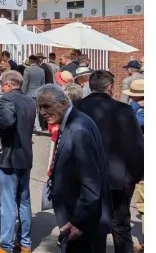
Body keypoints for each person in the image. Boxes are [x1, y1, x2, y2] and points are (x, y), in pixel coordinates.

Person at [38, 84, 112, 253]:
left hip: (82, 225)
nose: (42, 112)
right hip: (76, 219)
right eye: (40, 106)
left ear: (63, 104)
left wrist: (79, 222)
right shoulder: (73, 122)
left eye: (47, 106)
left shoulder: (78, 129)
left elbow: (91, 183)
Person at [77, 70, 143, 253]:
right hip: (118, 178)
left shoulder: (76, 108)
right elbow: (137, 147)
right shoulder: (124, 110)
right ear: (110, 87)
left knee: (91, 228)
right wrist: (135, 176)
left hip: (86, 178)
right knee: (121, 227)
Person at [0, 70, 36, 253]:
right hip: (24, 155)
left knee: (8, 202)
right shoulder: (29, 100)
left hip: (9, 155)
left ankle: (6, 245)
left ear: (7, 84)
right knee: (23, 200)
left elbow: (5, 121)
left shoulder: (6, 99)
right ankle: (25, 242)